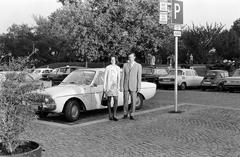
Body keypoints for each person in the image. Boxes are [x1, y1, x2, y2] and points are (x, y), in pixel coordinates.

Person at [120, 53, 142, 120]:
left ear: (134, 57)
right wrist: (121, 86)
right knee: (125, 101)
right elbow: (122, 76)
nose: (130, 58)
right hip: (126, 85)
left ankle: (132, 114)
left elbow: (139, 77)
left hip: (134, 86)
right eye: (129, 57)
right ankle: (125, 113)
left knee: (133, 101)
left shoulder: (138, 66)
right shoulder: (125, 65)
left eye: (131, 57)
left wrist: (139, 86)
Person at [103, 55, 121, 121]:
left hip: (115, 86)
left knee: (116, 100)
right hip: (109, 86)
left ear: (116, 60)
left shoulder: (118, 68)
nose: (113, 60)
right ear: (110, 60)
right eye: (111, 59)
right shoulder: (108, 67)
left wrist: (118, 87)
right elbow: (105, 78)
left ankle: (115, 115)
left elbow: (119, 78)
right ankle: (110, 115)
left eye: (114, 59)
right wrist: (104, 87)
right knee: (109, 101)